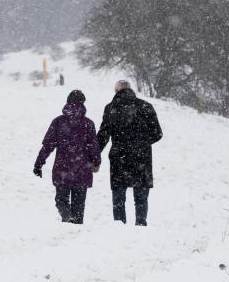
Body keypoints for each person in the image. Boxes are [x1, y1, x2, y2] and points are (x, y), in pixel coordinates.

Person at [96, 80, 163, 226]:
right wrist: (142, 143)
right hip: (141, 157)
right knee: (141, 195)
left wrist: (94, 154)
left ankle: (120, 225)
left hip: (119, 156)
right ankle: (141, 221)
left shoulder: (111, 108)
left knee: (118, 195)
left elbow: (103, 135)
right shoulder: (145, 106)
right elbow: (157, 133)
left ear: (116, 91)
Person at [32, 89, 101, 223]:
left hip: (62, 168)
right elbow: (94, 146)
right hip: (82, 169)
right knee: (79, 205)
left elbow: (47, 146)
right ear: (83, 103)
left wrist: (38, 164)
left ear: (67, 102)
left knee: (61, 200)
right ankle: (77, 227)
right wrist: (96, 162)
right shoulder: (88, 124)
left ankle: (67, 217)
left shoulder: (58, 122)